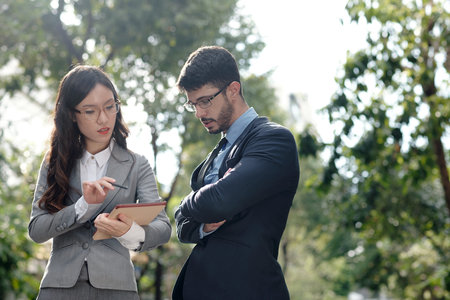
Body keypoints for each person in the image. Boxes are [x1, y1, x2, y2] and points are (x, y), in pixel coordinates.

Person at [28, 65, 171, 300]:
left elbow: (163, 228)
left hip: (117, 288)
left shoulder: (137, 164)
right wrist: (84, 207)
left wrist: (129, 231)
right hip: (59, 288)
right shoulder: (54, 162)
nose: (104, 118)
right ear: (72, 114)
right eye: (90, 111)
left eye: (109, 106)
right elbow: (37, 230)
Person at [172, 46, 300, 300]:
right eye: (193, 104)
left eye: (205, 101)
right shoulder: (216, 154)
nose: (199, 113)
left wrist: (187, 203)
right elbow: (182, 226)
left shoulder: (274, 139)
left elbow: (220, 201)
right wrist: (198, 218)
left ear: (233, 89)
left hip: (248, 289)